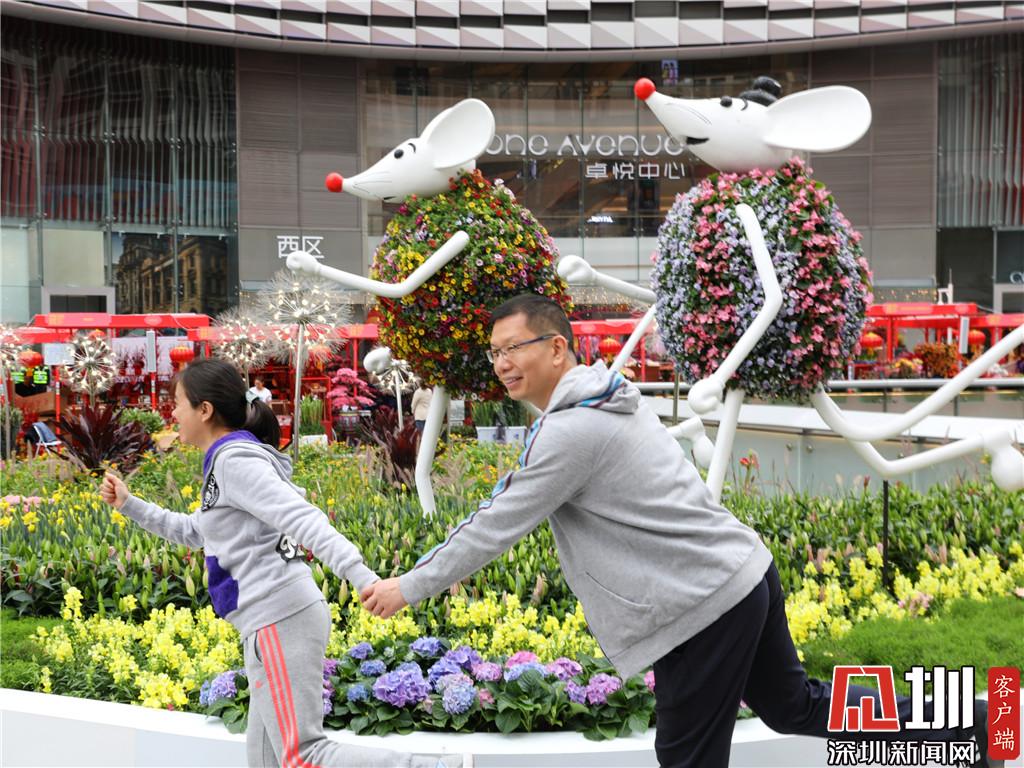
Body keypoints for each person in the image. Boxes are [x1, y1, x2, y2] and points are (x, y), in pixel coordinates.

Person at [360, 294, 990, 768]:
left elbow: (496, 522)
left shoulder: (572, 429)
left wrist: (408, 586)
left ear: (556, 348)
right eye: (494, 352)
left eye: (513, 348)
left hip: (702, 605)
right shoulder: (608, 397)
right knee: (795, 706)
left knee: (688, 757)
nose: (501, 364)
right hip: (740, 574)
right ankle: (983, 724)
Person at [100, 359, 467, 768]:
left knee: (303, 755)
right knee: (266, 759)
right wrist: (129, 504)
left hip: (279, 616)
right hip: (271, 619)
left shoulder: (234, 463)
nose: (172, 412)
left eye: (178, 403)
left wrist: (362, 576)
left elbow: (302, 518)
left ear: (204, 410)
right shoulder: (225, 463)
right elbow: (196, 531)